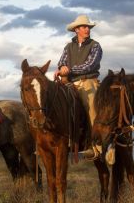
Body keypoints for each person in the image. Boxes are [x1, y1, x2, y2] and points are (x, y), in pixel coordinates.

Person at [54, 14, 103, 160]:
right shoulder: (68, 47)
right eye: (83, 27)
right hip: (70, 82)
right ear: (76, 30)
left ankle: (97, 146)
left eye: (88, 27)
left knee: (92, 109)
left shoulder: (95, 46)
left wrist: (70, 69)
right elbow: (61, 61)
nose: (87, 29)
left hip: (88, 81)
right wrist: (61, 68)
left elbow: (90, 65)